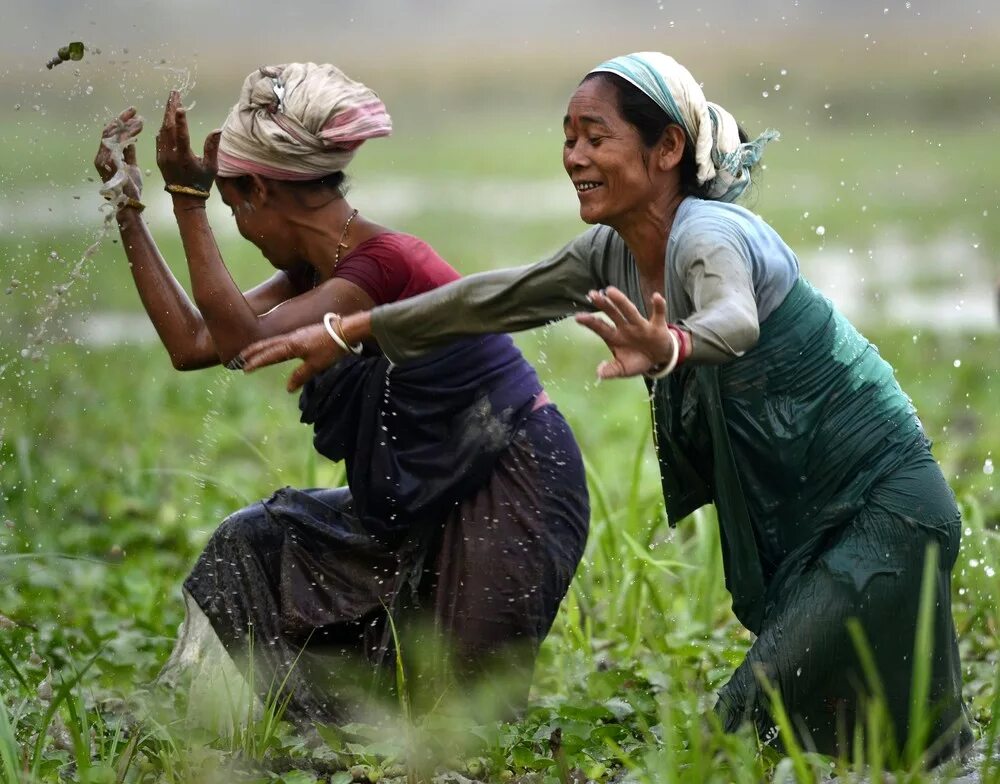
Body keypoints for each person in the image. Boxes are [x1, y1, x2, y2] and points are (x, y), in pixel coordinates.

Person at [239, 52, 973, 759]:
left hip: (888, 509)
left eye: (595, 137)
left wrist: (673, 347)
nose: (575, 157)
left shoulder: (710, 234)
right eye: (567, 139)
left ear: (667, 149)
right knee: (859, 744)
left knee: (742, 727)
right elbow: (493, 298)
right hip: (827, 522)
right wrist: (351, 328)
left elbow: (734, 318)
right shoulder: (607, 252)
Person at [93, 62, 589, 723]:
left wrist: (186, 201)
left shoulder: (382, 266)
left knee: (458, 724)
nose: (237, 224)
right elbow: (193, 343)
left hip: (512, 477)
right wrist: (128, 208)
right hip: (433, 489)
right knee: (254, 546)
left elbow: (239, 340)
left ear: (262, 194)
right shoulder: (316, 274)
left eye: (232, 207)